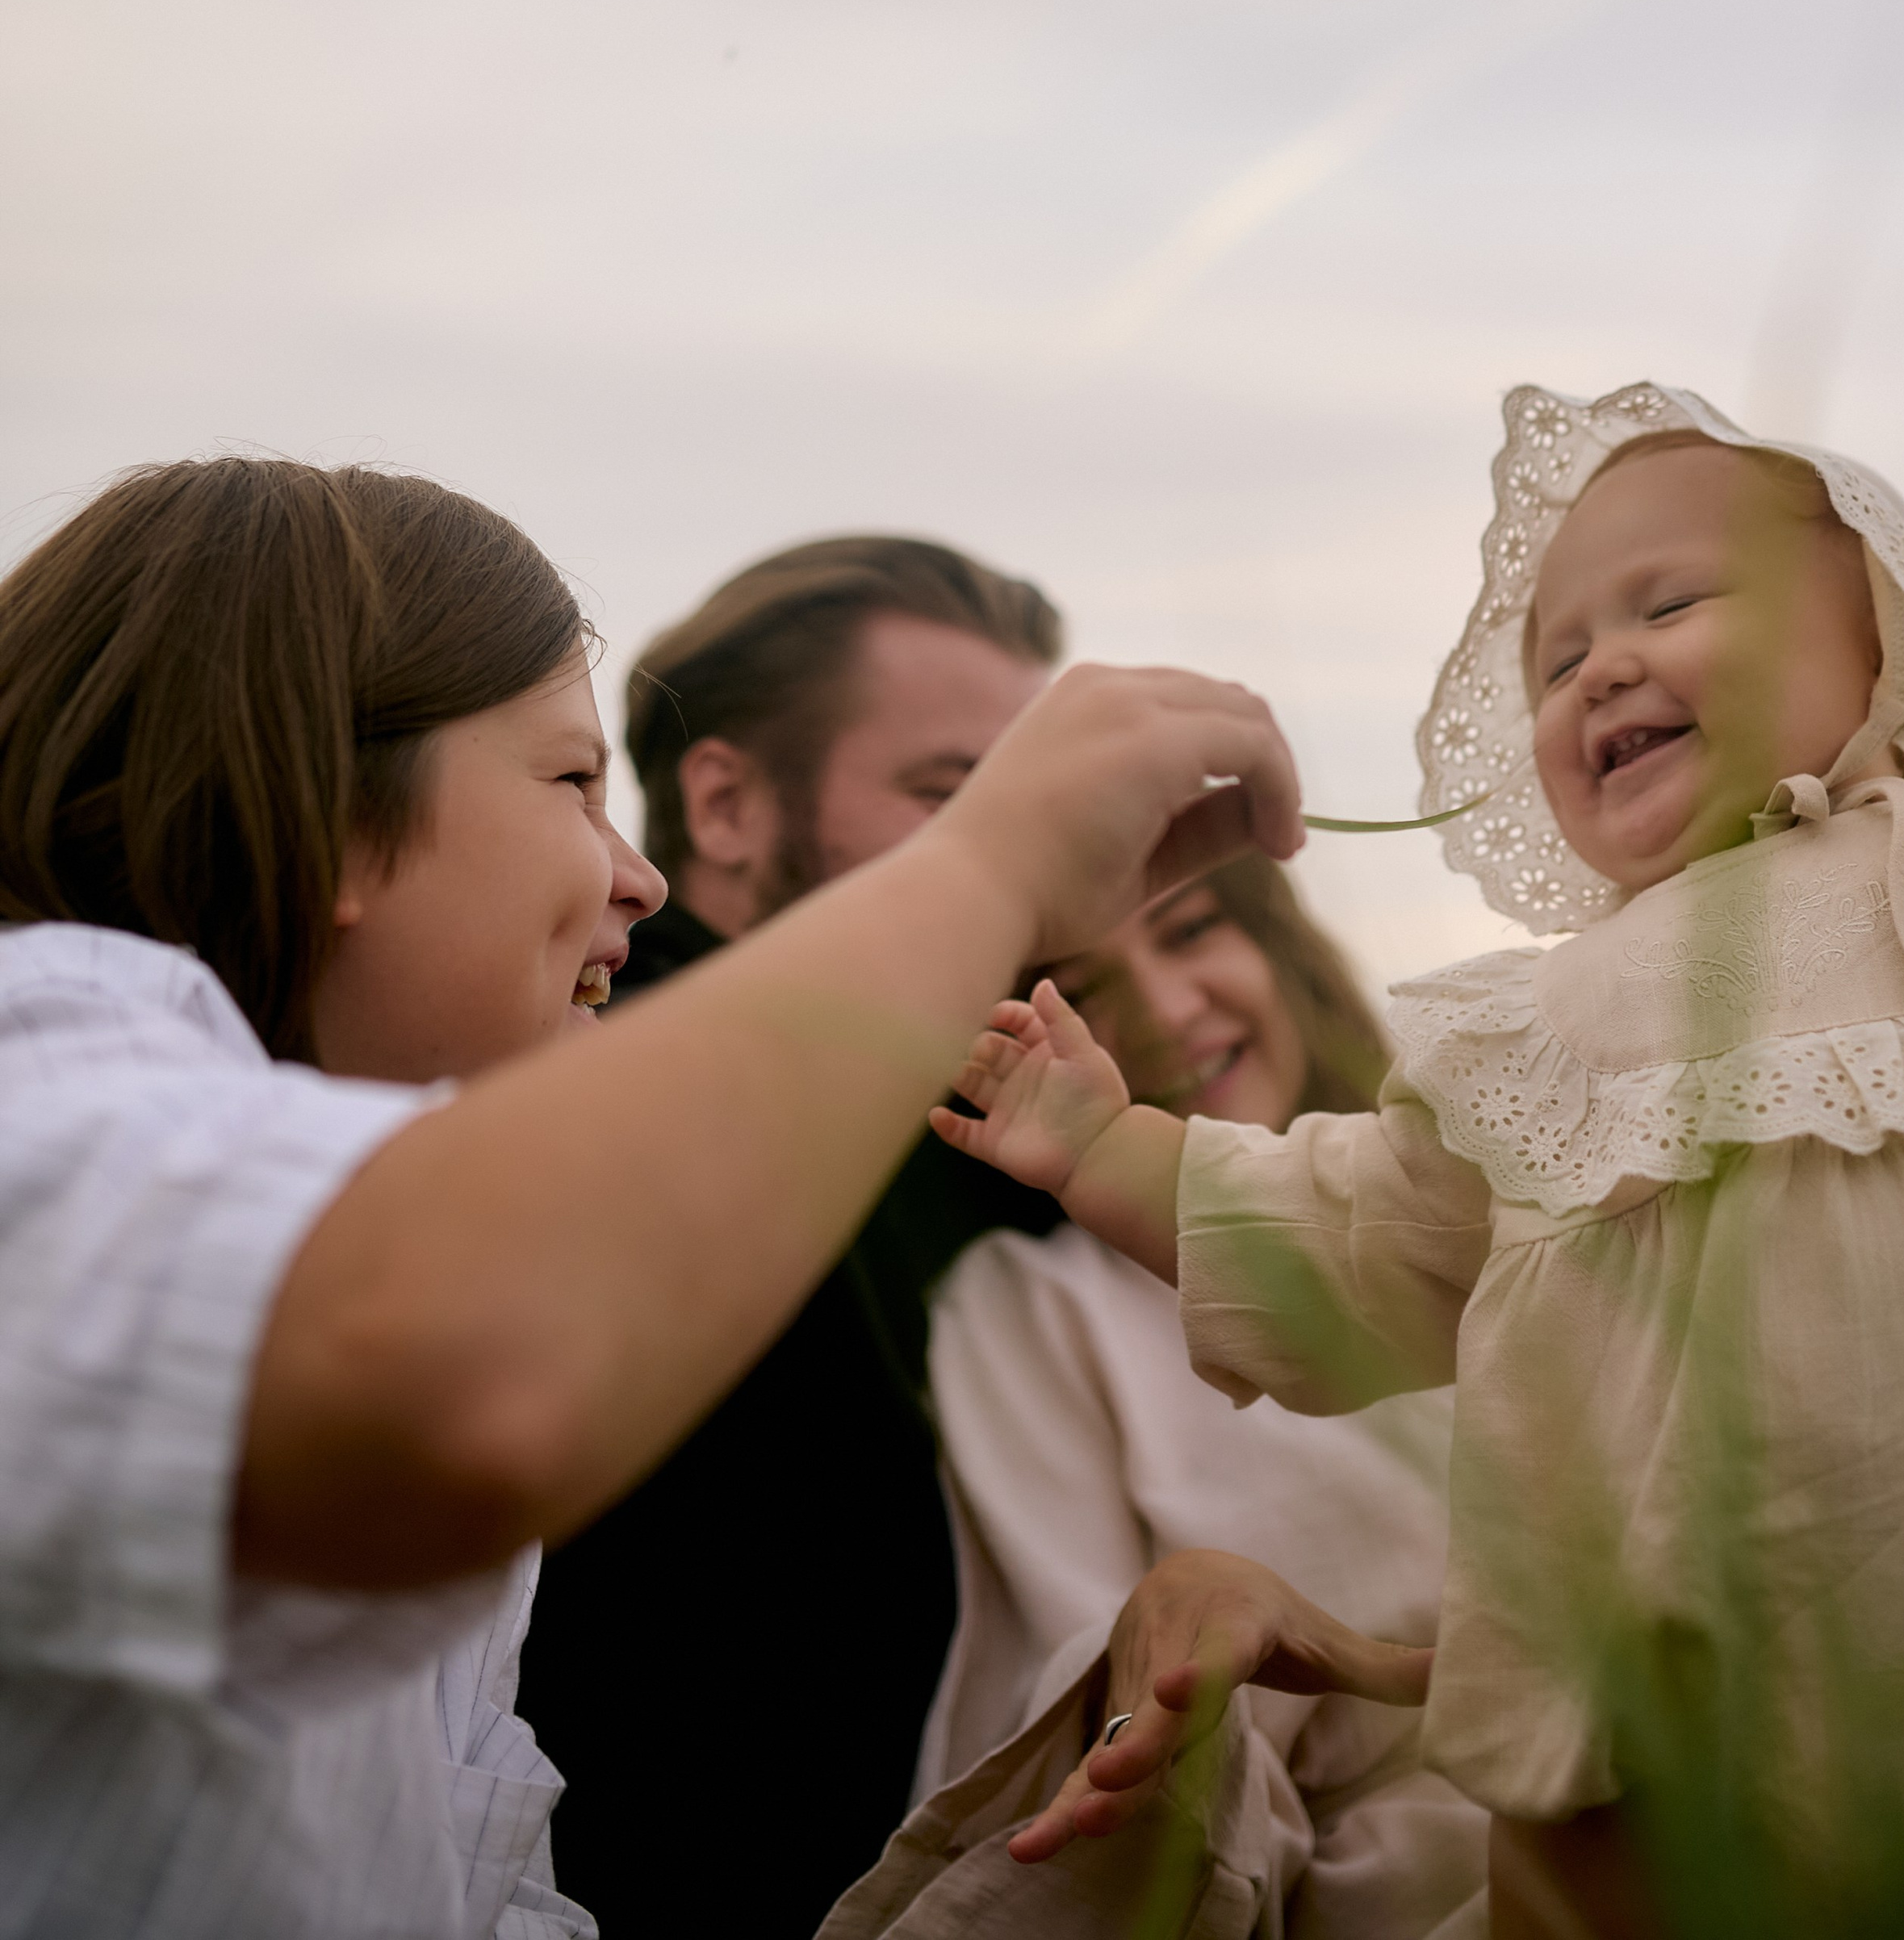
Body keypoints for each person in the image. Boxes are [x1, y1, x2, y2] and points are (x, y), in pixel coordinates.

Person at [0, 456, 1320, 1939]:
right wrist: (997, 863)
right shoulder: (34, 1048)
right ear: (323, 807)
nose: (634, 877)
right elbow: (451, 1373)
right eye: (570, 781)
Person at [936, 381, 1904, 1936]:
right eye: (1554, 657)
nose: (1603, 660)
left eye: (1671, 598)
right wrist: (1103, 1142)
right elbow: (1344, 1228)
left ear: (1877, 625)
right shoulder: (1542, 1031)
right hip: (1649, 1774)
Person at [519, 537, 1075, 1936]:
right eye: (955, 795)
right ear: (724, 802)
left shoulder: (972, 1106)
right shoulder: (577, 1076)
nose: (1023, 855)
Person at [826, 851, 1488, 1938]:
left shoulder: (1484, 1202)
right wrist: (1188, 1625)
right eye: (1075, 992)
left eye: (1192, 931)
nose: (1169, 1009)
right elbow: (1077, 1723)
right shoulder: (1029, 1312)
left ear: (1278, 946)